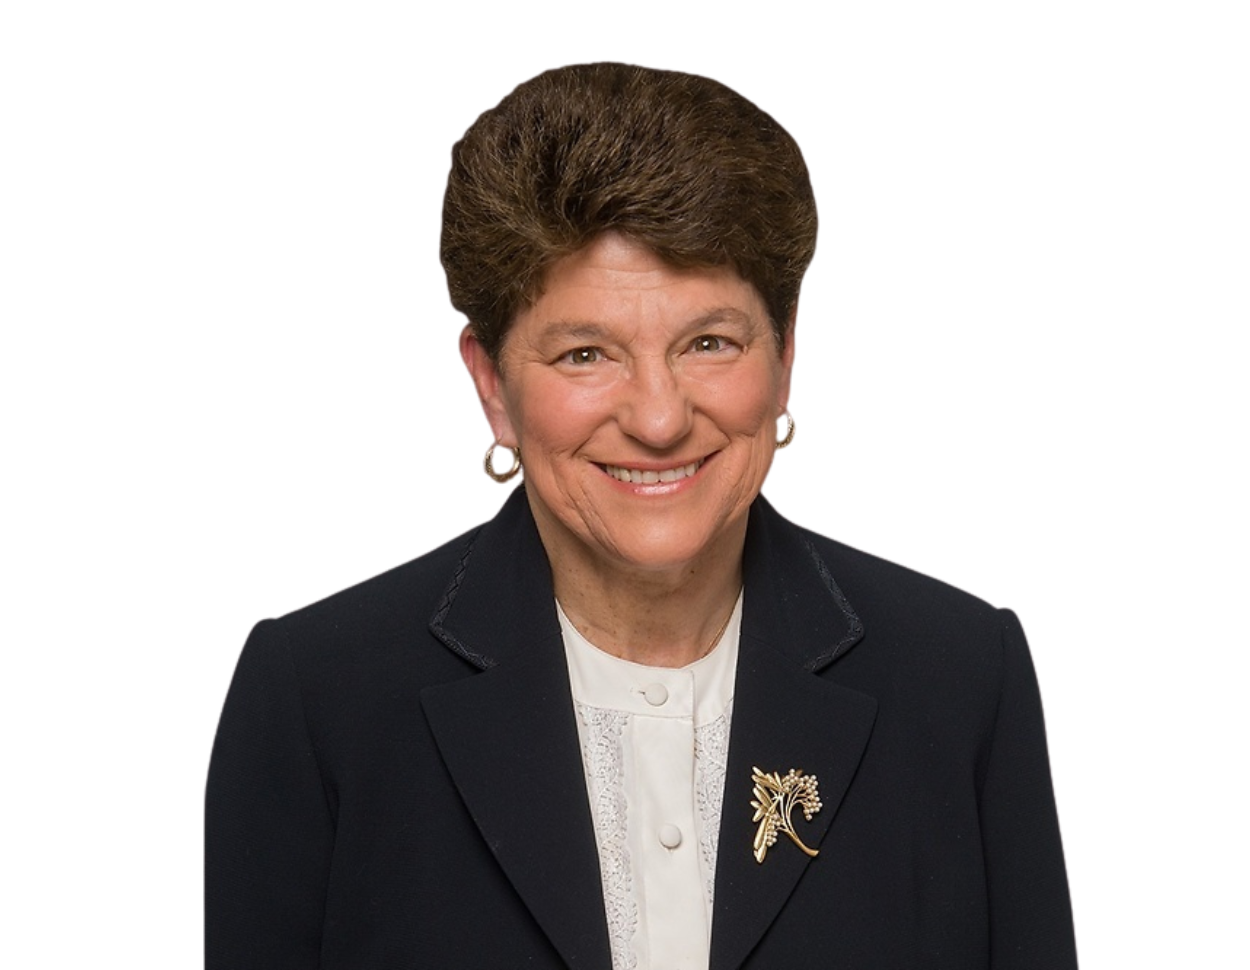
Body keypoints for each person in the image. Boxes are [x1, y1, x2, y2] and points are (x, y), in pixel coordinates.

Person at [205, 62, 1076, 969]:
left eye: (709, 342)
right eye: (586, 354)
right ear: (491, 385)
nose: (659, 419)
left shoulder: (965, 678)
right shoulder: (316, 700)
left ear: (785, 358)